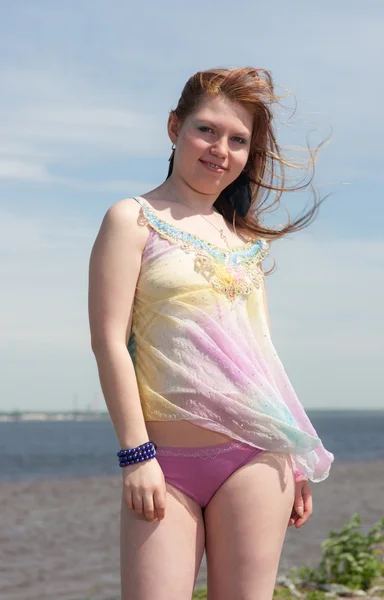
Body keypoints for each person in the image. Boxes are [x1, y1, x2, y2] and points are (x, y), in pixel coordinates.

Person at [88, 67, 334, 600]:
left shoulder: (244, 241)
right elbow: (109, 341)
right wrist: (136, 455)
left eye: (238, 140)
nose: (220, 149)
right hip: (163, 464)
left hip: (256, 457)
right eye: (206, 129)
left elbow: (261, 354)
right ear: (174, 127)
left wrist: (291, 455)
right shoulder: (132, 219)